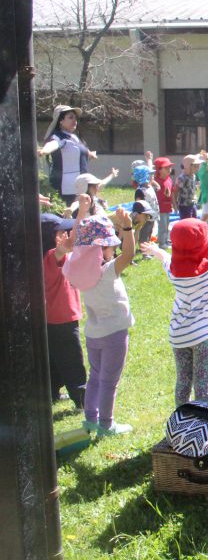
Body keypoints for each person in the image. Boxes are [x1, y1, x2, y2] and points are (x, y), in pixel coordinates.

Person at [67, 200, 137, 437]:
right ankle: (107, 425)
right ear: (101, 249)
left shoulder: (78, 271)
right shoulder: (108, 271)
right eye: (109, 246)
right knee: (109, 381)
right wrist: (127, 229)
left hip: (93, 333)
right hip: (114, 334)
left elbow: (74, 249)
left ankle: (90, 420)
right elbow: (129, 254)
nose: (113, 250)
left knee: (95, 377)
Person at [141, 219, 208, 406]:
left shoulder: (174, 271)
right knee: (202, 386)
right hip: (204, 335)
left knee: (183, 382)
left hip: (179, 334)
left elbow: (165, 258)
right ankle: (204, 425)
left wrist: (155, 250)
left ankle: (181, 423)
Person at [42, 213, 86, 409]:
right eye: (61, 232)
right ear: (50, 236)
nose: (66, 234)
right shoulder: (52, 255)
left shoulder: (44, 257)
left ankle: (51, 392)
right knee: (72, 359)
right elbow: (69, 244)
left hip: (52, 318)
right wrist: (82, 213)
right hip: (63, 317)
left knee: (54, 357)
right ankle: (81, 398)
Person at [38, 104, 98, 204]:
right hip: (67, 189)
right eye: (70, 117)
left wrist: (90, 154)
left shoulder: (75, 137)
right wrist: (44, 151)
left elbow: (82, 152)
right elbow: (53, 144)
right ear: (61, 121)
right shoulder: (58, 136)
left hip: (81, 186)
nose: (75, 120)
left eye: (75, 118)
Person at [151, 157, 174, 248]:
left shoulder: (169, 179)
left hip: (167, 207)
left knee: (167, 224)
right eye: (166, 167)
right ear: (159, 170)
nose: (169, 169)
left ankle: (165, 240)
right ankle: (162, 243)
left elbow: (171, 193)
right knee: (162, 225)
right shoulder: (156, 181)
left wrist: (173, 204)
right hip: (160, 207)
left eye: (170, 167)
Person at [176, 155, 199, 220]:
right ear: (189, 166)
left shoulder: (193, 176)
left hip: (192, 203)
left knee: (194, 220)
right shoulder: (182, 178)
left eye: (198, 166)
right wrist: (175, 204)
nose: (197, 168)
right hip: (184, 205)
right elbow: (176, 190)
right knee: (186, 221)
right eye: (195, 166)